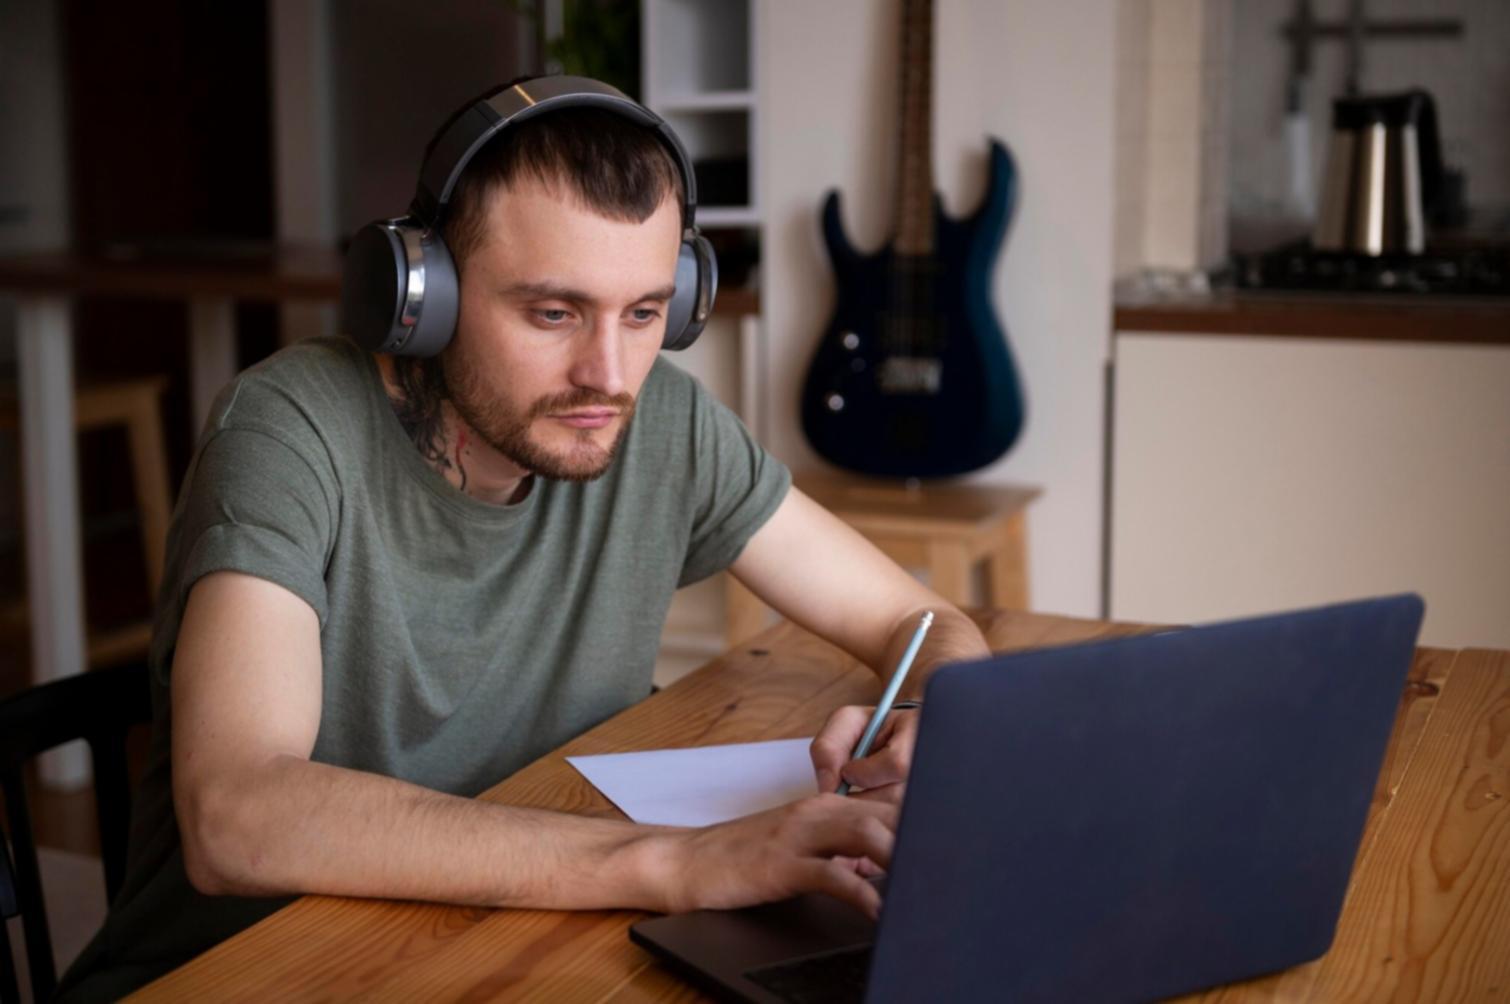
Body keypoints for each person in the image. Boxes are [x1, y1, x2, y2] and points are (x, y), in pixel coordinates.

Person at [57, 77, 990, 1001]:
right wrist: (676, 865)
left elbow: (916, 616)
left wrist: (930, 721)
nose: (610, 375)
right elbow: (237, 818)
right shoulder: (288, 431)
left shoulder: (658, 416)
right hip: (248, 972)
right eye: (553, 312)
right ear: (422, 295)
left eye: (644, 311)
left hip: (506, 940)